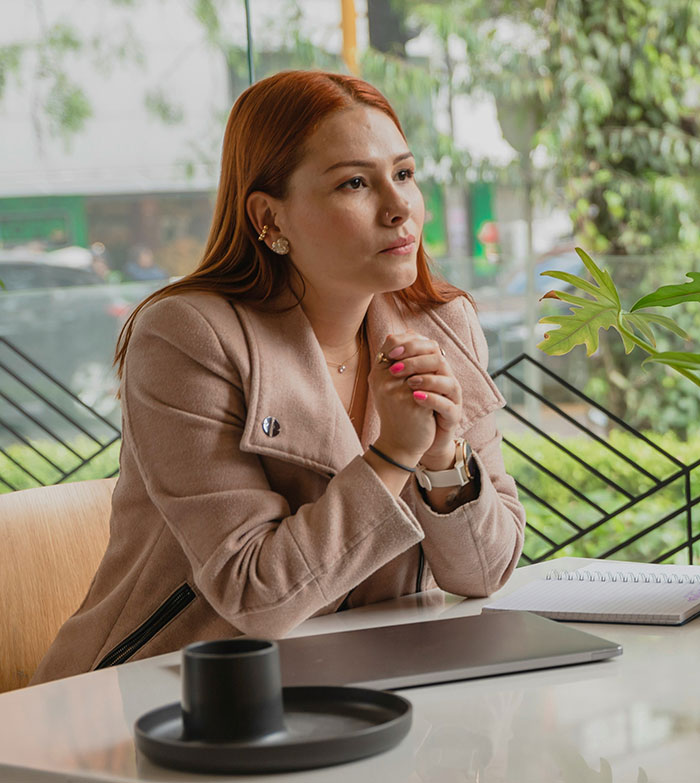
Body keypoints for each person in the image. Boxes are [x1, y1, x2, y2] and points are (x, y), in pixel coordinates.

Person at [32, 70, 526, 684]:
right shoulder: (187, 337)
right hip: (168, 704)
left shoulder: (444, 323)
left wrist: (443, 457)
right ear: (270, 218)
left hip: (374, 689)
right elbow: (255, 594)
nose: (400, 207)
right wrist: (395, 453)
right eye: (354, 183)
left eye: (404, 174)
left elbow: (485, 571)